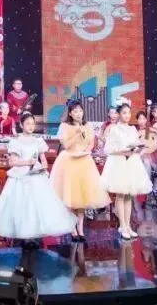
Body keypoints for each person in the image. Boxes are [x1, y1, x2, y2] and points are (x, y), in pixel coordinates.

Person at [0, 112, 75, 243]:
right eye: (28, 124)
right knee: (23, 205)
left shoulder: (38, 141)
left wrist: (42, 166)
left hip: (36, 175)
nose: (30, 126)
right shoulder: (16, 141)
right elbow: (12, 162)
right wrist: (27, 162)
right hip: (21, 176)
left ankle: (35, 237)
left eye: (32, 124)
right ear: (21, 125)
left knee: (37, 206)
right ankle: (23, 237)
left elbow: (44, 161)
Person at [50, 100, 110, 242]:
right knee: (70, 196)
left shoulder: (87, 126)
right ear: (70, 113)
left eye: (80, 111)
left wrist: (86, 150)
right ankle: (72, 228)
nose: (79, 114)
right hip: (69, 161)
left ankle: (81, 229)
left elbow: (91, 142)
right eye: (75, 111)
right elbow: (66, 145)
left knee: (82, 198)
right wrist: (77, 134)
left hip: (84, 161)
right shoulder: (65, 126)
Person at [100, 104, 152, 239]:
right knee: (121, 195)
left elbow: (136, 147)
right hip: (119, 163)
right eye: (124, 113)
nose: (127, 115)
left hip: (132, 162)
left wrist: (140, 147)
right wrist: (124, 151)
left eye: (129, 112)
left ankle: (128, 225)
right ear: (119, 114)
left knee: (129, 196)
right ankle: (122, 226)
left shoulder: (133, 129)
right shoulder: (114, 129)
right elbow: (108, 150)